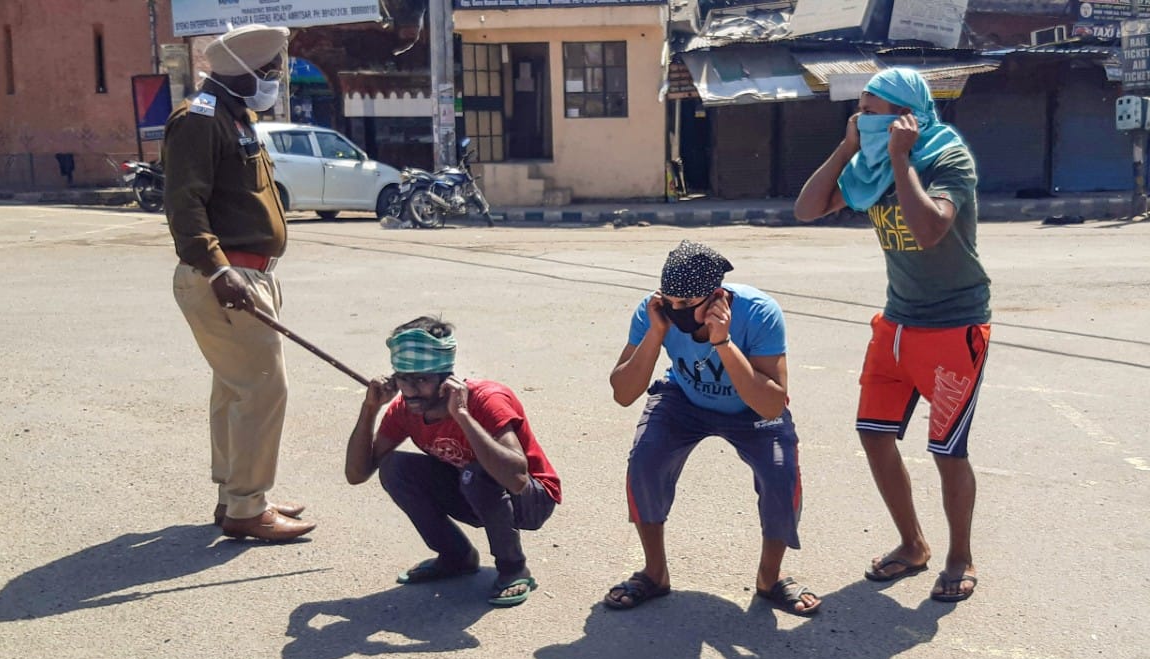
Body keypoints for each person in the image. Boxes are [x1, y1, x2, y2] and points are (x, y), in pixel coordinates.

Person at [793, 67, 991, 602]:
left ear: (907, 115)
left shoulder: (946, 157)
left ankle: (960, 555)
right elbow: (807, 208)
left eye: (871, 109)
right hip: (897, 322)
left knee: (948, 451)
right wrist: (846, 147)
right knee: (873, 434)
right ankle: (913, 545)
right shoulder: (869, 167)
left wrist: (903, 158)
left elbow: (929, 232)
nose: (861, 118)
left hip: (954, 324)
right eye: (857, 109)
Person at [604, 241, 820, 616]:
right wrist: (656, 334)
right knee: (645, 460)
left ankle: (770, 577)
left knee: (781, 474)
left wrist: (722, 341)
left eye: (687, 305)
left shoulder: (759, 312)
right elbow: (623, 393)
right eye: (669, 301)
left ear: (717, 296)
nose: (677, 312)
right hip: (684, 398)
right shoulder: (655, 312)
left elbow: (771, 402)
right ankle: (655, 573)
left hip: (750, 409)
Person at [164, 24, 314, 542]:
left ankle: (237, 497)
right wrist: (219, 269)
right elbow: (185, 204)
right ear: (246, 74)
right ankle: (248, 509)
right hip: (226, 277)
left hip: (248, 273)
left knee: (235, 390)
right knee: (263, 388)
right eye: (271, 71)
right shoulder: (200, 120)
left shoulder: (236, 117)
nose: (276, 78)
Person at [344, 317, 561, 606]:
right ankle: (456, 556)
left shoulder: (486, 400)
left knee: (477, 474)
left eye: (422, 380)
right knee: (394, 467)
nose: (410, 390)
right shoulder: (404, 410)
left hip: (530, 499)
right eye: (403, 378)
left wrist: (462, 415)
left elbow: (517, 477)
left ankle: (513, 568)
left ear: (446, 378)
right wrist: (370, 408)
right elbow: (357, 474)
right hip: (473, 492)